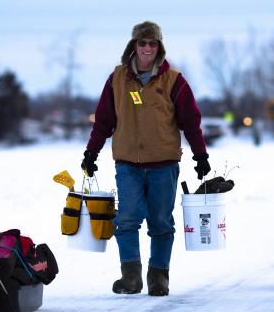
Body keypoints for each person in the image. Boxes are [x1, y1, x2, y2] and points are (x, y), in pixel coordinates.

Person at [81, 21, 211, 297]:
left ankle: (158, 277)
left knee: (161, 222)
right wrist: (91, 152)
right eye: (142, 43)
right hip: (127, 163)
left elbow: (191, 121)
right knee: (126, 220)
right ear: (134, 46)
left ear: (159, 47)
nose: (147, 48)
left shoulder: (174, 80)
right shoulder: (116, 79)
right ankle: (131, 277)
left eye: (152, 43)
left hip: (163, 164)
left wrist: (200, 155)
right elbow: (103, 121)